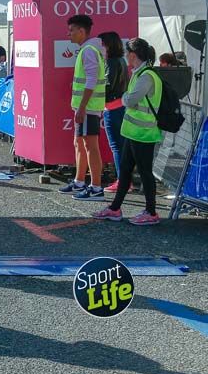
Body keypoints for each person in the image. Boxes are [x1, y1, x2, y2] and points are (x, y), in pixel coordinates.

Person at [93, 38, 164, 225]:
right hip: (135, 132)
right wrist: (125, 98)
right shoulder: (139, 73)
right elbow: (130, 98)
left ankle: (151, 212)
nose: (125, 56)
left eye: (127, 54)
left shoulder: (147, 76)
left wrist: (124, 98)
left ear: (133, 55)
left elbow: (131, 99)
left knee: (145, 172)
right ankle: (115, 208)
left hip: (144, 133)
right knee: (124, 171)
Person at [59, 15, 107, 200]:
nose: (68, 34)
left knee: (90, 147)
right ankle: (80, 181)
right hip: (85, 107)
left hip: (88, 108)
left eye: (71, 30)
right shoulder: (89, 49)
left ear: (81, 31)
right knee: (79, 144)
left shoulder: (88, 50)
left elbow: (91, 81)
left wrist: (82, 108)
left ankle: (96, 188)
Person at [99, 32, 130, 195]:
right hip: (120, 105)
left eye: (101, 44)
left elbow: (108, 85)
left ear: (108, 45)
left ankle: (122, 181)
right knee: (121, 146)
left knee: (117, 147)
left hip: (112, 107)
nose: (100, 47)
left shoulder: (111, 61)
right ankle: (125, 180)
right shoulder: (121, 60)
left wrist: (95, 93)